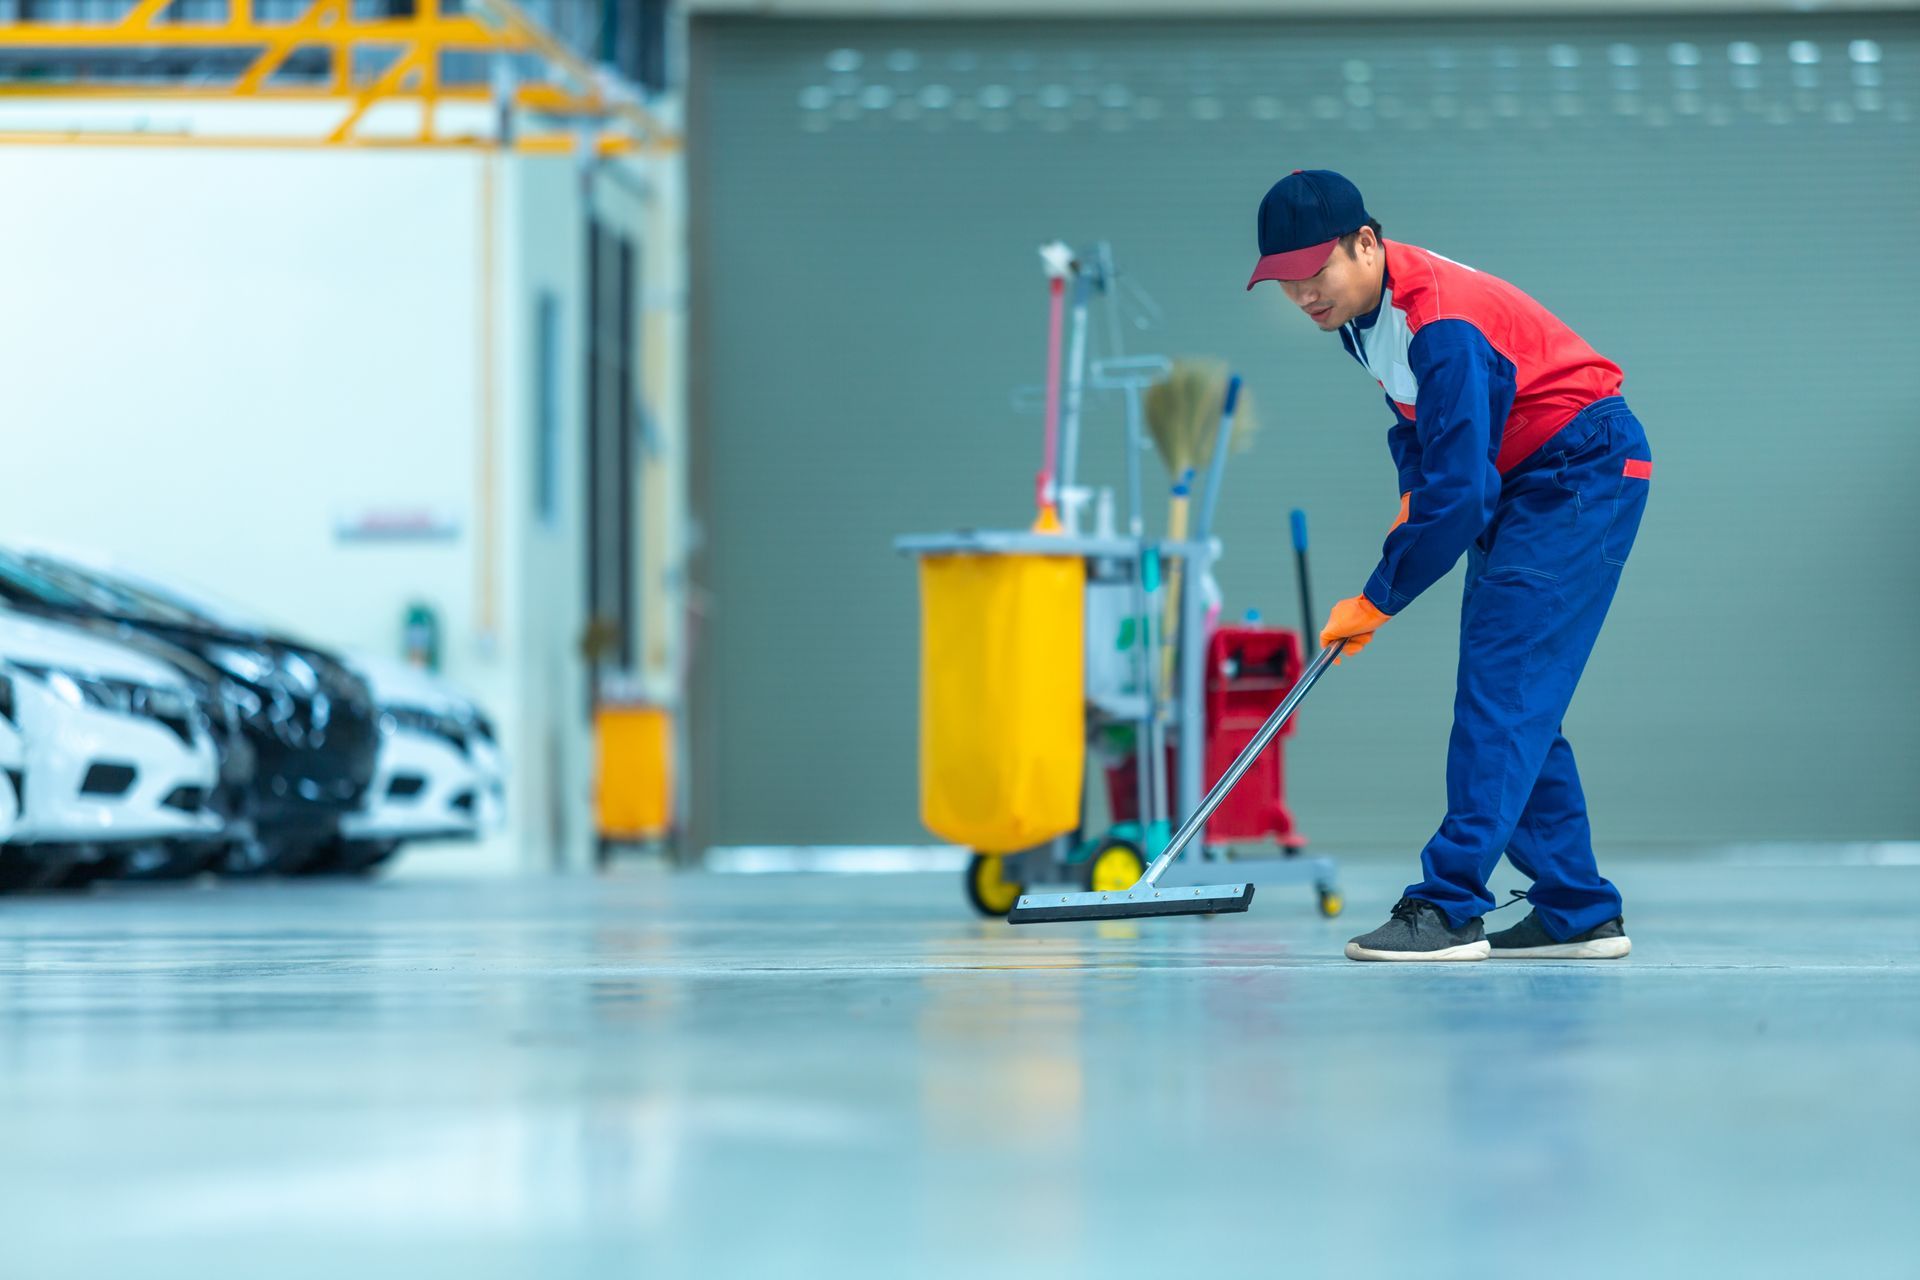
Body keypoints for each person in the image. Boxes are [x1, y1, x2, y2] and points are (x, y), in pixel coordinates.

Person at [1246, 169, 1649, 962]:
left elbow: (1461, 496)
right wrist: (1409, 497)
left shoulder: (1441, 323)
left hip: (1578, 471)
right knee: (1516, 697)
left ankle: (1449, 905)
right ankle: (1576, 908)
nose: (1303, 296)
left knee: (1501, 689)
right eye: (1285, 282)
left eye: (1314, 272)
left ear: (1366, 242)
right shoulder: (1364, 318)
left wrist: (1378, 595)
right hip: (1531, 478)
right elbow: (1419, 429)